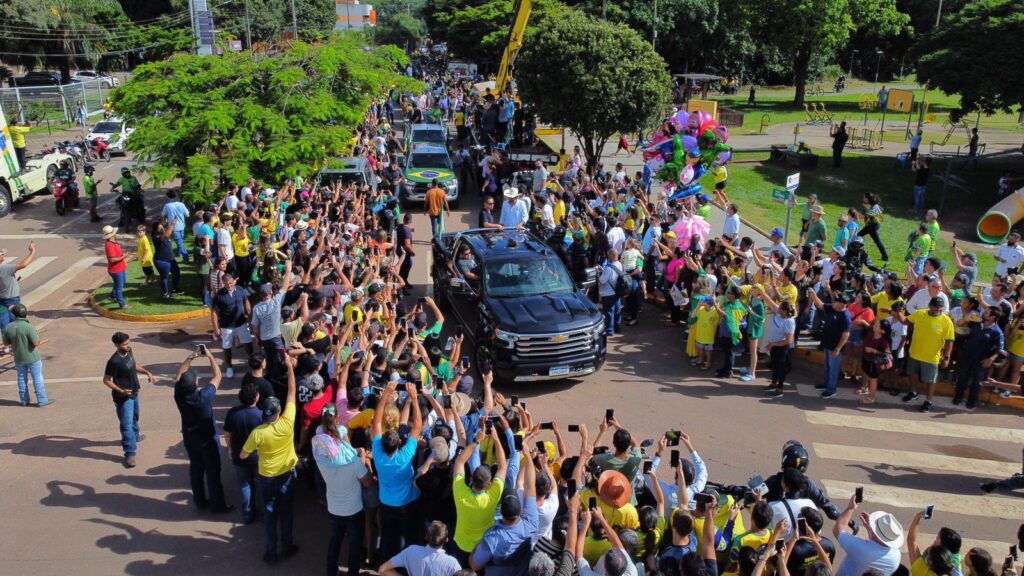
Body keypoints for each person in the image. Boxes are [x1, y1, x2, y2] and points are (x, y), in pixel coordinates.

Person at [240, 353, 300, 565]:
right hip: (285, 475)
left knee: (269, 511)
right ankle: (288, 545)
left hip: (266, 476)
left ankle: (271, 551)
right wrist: (290, 368)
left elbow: (243, 454)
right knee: (286, 512)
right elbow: (292, 392)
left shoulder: (258, 433)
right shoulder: (287, 422)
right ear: (279, 411)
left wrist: (258, 452)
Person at [314, 404, 372, 576]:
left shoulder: (320, 454)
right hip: (354, 510)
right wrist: (362, 455)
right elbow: (367, 482)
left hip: (333, 508)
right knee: (354, 547)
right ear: (338, 420)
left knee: (335, 542)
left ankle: (331, 572)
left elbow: (332, 440)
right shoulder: (353, 462)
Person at [173, 346, 232, 513]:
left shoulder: (179, 394)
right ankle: (218, 505)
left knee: (196, 470)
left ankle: (199, 501)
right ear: (196, 384)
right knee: (213, 474)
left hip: (190, 439)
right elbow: (218, 376)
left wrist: (191, 356)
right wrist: (211, 357)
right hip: (207, 440)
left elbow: (179, 376)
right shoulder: (203, 397)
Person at [372, 381, 425, 561]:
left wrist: (386, 393)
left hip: (386, 505)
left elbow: (376, 422)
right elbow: (418, 425)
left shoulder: (378, 455)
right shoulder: (405, 456)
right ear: (399, 444)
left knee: (389, 540)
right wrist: (414, 399)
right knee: (410, 539)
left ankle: (389, 567)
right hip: (408, 505)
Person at [470, 442, 540, 574]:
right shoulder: (531, 522)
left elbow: (474, 565)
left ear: (501, 512)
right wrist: (528, 457)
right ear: (521, 510)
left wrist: (476, 548)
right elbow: (530, 487)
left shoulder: (492, 539)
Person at [103, 332, 158, 468]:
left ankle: (135, 436)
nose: (128, 346)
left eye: (128, 342)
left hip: (134, 392)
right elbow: (106, 380)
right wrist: (121, 391)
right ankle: (129, 452)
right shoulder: (114, 361)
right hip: (123, 398)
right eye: (125, 344)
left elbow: (133, 364)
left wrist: (147, 372)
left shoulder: (129, 351)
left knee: (134, 417)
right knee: (126, 424)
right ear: (116, 345)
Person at [894, 297, 954, 412]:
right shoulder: (920, 313)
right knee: (912, 374)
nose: (937, 309)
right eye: (935, 306)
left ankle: (928, 401)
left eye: (939, 307)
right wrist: (899, 310)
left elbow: (949, 341)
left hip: (932, 358)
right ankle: (913, 392)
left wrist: (946, 357)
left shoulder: (947, 321)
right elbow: (905, 321)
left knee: (930, 380)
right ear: (929, 305)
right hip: (914, 353)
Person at [832, 494, 903, 576]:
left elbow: (838, 530)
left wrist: (851, 508)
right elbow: (876, 546)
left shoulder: (861, 548)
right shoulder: (896, 556)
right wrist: (870, 530)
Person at [223, 382, 263, 524]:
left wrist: (230, 448)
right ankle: (265, 513)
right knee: (261, 485)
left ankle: (248, 514)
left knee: (245, 485)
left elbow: (227, 434)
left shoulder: (233, 413)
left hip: (240, 456)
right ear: (256, 397)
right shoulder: (260, 415)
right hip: (258, 457)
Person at [3, 304, 53, 407]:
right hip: (32, 357)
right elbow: (35, 343)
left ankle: (24, 400)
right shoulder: (29, 327)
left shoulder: (9, 327)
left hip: (18, 357)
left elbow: (6, 343)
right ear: (25, 314)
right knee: (37, 378)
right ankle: (42, 400)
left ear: (14, 314)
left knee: (21, 378)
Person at [808, 290, 850, 399]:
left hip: (835, 347)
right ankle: (825, 384)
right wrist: (813, 295)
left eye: (836, 302)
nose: (833, 303)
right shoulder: (833, 308)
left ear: (842, 304)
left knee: (833, 369)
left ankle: (831, 390)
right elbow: (820, 305)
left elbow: (845, 336)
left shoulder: (846, 317)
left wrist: (838, 349)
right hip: (827, 344)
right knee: (827, 367)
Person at [211, 271, 253, 378]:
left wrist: (248, 311)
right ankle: (229, 367)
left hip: (241, 324)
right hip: (226, 327)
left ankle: (253, 362)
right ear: (223, 283)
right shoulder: (219, 295)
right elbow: (214, 312)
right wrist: (216, 328)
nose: (229, 286)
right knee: (227, 347)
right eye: (226, 284)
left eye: (230, 283)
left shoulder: (240, 289)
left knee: (248, 343)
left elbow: (246, 300)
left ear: (233, 281)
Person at [379, 521, 462, 576]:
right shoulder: (453, 563)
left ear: (426, 537)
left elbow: (383, 569)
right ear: (446, 539)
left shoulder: (411, 551)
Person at [0, 240, 36, 336]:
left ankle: (6, 343)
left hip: (1, 301)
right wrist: (32, 252)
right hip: (11, 300)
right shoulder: (5, 269)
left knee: (4, 322)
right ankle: (19, 340)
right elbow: (23, 264)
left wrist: (2, 252)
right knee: (16, 321)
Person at [597, 249, 624, 338]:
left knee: (609, 312)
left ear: (612, 255)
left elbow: (602, 281)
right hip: (617, 292)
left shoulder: (609, 268)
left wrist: (598, 274)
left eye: (609, 255)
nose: (608, 257)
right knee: (617, 310)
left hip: (608, 293)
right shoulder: (620, 264)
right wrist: (603, 270)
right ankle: (618, 327)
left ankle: (609, 331)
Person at [152, 219, 181, 298]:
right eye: (160, 228)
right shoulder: (156, 237)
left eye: (162, 227)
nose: (162, 229)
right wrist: (172, 225)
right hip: (162, 260)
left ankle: (175, 288)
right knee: (165, 277)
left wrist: (168, 227)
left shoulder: (163, 233)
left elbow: (167, 233)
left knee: (177, 273)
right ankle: (165, 293)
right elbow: (166, 236)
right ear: (155, 230)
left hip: (171, 259)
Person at [102, 226, 128, 309]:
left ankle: (112, 296)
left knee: (121, 283)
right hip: (116, 270)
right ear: (112, 235)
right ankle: (122, 304)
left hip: (120, 267)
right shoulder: (110, 245)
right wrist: (124, 257)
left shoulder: (113, 242)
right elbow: (112, 260)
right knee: (119, 287)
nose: (116, 234)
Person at [162, 190, 191, 262]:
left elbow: (163, 215)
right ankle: (180, 253)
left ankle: (186, 257)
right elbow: (187, 215)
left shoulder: (167, 206)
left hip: (174, 227)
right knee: (181, 241)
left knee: (179, 242)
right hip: (182, 225)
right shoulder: (181, 204)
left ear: (168, 196)